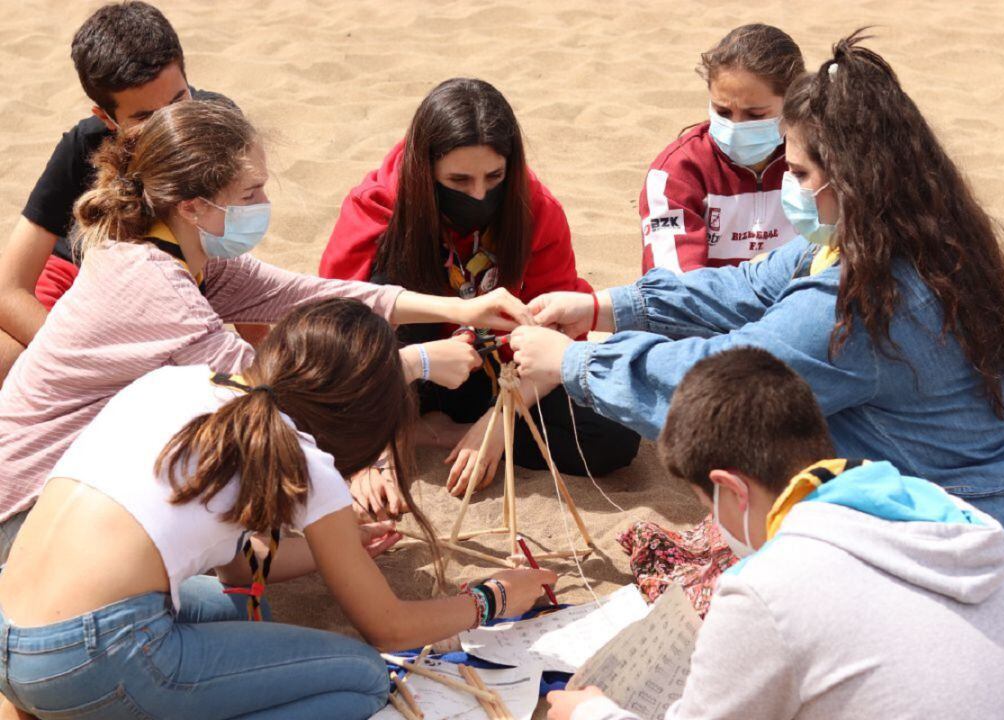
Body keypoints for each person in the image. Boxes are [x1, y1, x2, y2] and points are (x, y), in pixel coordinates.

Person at [511, 31, 1004, 705]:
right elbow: (750, 285)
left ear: (850, 177)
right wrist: (604, 305)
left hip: (994, 552)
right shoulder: (930, 238)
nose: (791, 187)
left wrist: (576, 362)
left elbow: (725, 385)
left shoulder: (868, 301)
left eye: (803, 174)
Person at [0, 100, 530, 565]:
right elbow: (275, 393)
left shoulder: (181, 249)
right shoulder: (155, 284)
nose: (261, 205)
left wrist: (463, 310)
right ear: (193, 205)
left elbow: (310, 293)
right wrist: (420, 364)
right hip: (26, 516)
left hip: (75, 487)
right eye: (250, 193)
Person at [0, 298, 555, 720]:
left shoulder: (177, 382)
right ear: (361, 418)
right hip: (90, 657)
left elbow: (241, 570)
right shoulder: (307, 459)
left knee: (233, 610)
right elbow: (388, 629)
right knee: (360, 678)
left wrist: (331, 550)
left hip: (10, 632)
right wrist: (494, 596)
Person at [547, 348, 1004, 720]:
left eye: (706, 506)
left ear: (731, 489)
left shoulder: (766, 589)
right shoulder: (938, 516)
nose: (714, 527)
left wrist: (592, 712)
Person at [321, 77, 639, 515]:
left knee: (613, 436)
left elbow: (559, 339)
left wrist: (499, 421)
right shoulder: (378, 207)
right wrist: (365, 453)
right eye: (458, 179)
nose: (478, 194)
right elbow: (338, 336)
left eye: (494, 177)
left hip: (499, 375)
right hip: (402, 374)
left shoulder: (534, 208)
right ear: (424, 169)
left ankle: (437, 432)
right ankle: (398, 427)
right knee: (384, 286)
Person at [0, 1, 240, 383]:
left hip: (175, 288)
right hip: (77, 280)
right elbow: (9, 289)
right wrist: (80, 361)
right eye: (145, 118)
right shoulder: (84, 144)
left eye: (179, 101)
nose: (169, 127)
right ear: (106, 118)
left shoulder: (216, 124)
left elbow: (241, 268)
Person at [639, 24, 803, 274]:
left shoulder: (821, 162)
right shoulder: (676, 173)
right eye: (722, 112)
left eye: (755, 115)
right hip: (707, 310)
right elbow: (674, 288)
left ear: (793, 102)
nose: (735, 127)